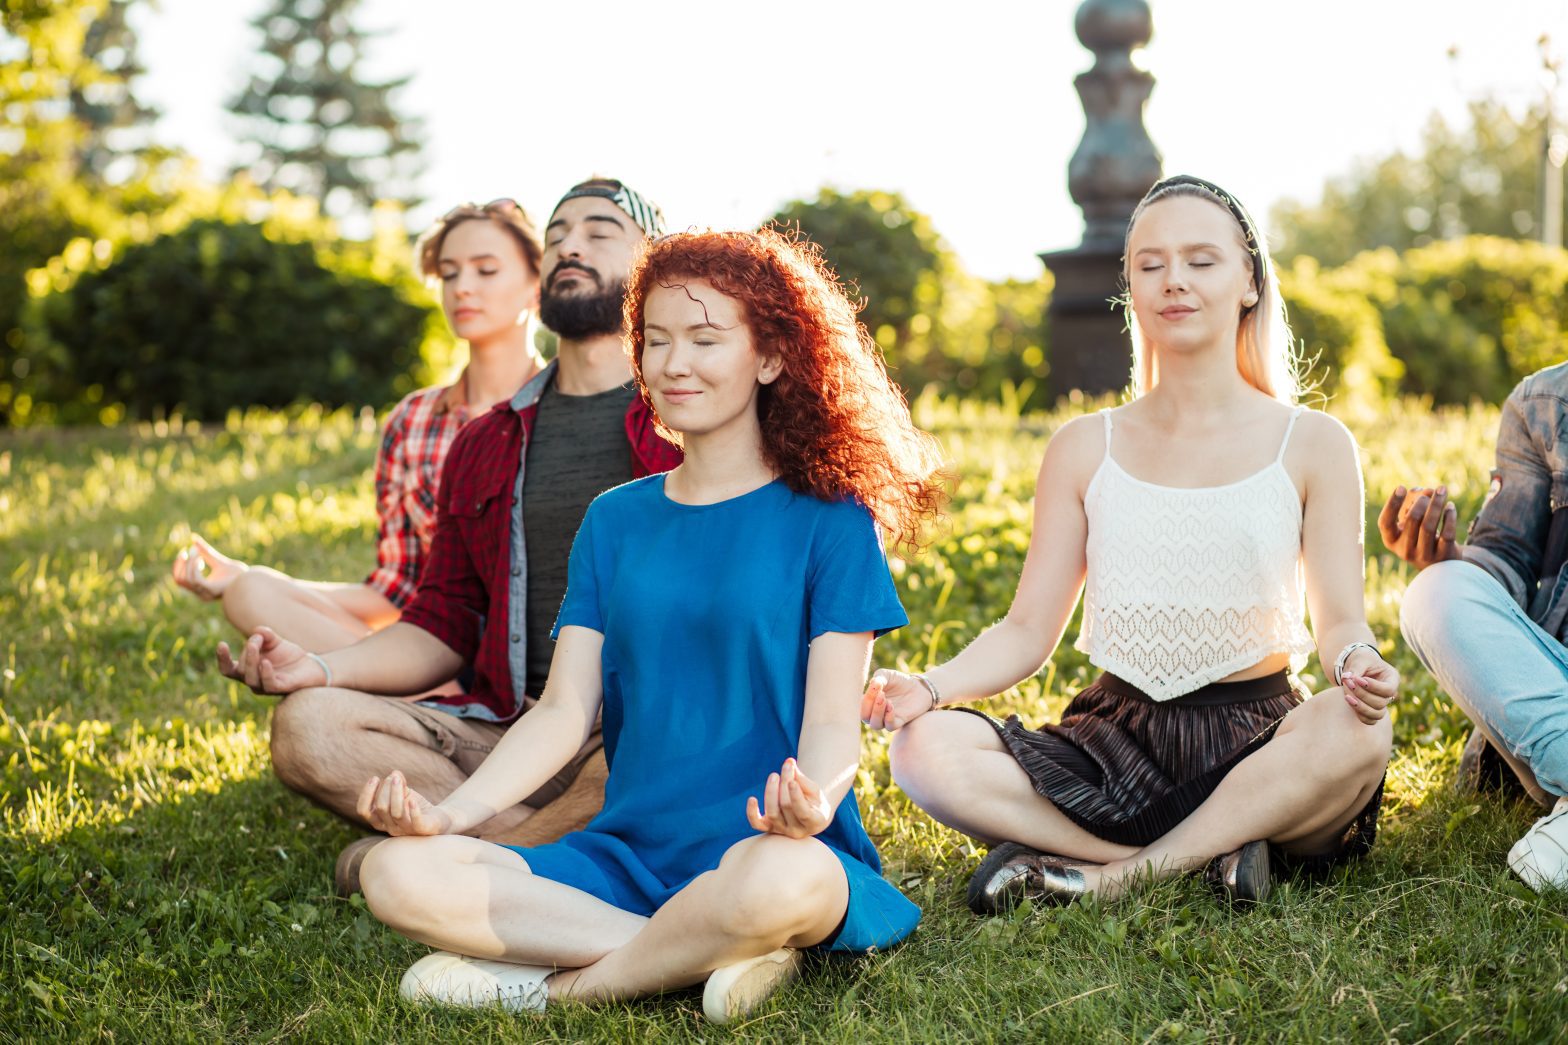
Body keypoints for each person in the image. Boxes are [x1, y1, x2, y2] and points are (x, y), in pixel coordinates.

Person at [352, 228, 944, 1023]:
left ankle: (557, 989)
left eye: (705, 339)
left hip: (767, 849)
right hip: (626, 854)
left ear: (770, 357)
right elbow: (564, 712)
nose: (674, 363)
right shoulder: (615, 520)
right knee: (396, 872)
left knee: (778, 883)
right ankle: (704, 952)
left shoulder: (832, 520)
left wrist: (816, 800)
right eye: (656, 341)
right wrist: (450, 816)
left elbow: (835, 719)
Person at [863, 175, 1396, 912]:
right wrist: (929, 688)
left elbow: (1340, 620)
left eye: (1201, 260)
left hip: (1259, 739)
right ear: (1132, 289)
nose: (1173, 280)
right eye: (1150, 264)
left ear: (1249, 278)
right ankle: (1216, 851)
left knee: (1358, 729)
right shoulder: (1085, 446)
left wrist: (1357, 661)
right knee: (922, 750)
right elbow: (1026, 630)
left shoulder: (1312, 443)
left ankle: (1110, 875)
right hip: (1113, 742)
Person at [215, 179, 680, 885]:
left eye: (599, 230)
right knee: (308, 727)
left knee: (666, 751)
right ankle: (522, 854)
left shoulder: (685, 422)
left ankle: (470, 862)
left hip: (632, 731)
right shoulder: (488, 441)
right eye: (556, 235)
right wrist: (322, 668)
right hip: (508, 728)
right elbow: (440, 621)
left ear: (654, 262)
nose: (569, 246)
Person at [174, 199, 546, 658]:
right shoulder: (412, 422)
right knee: (252, 593)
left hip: (541, 662)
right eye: (450, 273)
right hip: (437, 658)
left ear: (538, 285)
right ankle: (429, 699)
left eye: (486, 270)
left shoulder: (567, 409)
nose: (462, 288)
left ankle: (409, 700)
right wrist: (247, 577)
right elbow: (396, 592)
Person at [1386, 360, 1568, 892]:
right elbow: (1507, 557)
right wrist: (1449, 557)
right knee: (1437, 593)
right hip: (1557, 685)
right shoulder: (1540, 403)